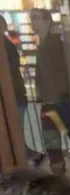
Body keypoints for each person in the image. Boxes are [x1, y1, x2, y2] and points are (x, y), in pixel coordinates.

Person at [30, 9, 70, 174]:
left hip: (60, 100)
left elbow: (69, 70)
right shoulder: (42, 45)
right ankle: (59, 175)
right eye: (31, 18)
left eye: (36, 18)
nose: (32, 21)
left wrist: (61, 94)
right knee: (52, 141)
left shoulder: (56, 44)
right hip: (49, 101)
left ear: (47, 22)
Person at [0, 16, 41, 162]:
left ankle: (29, 158)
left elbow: (9, 72)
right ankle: (31, 156)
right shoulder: (8, 45)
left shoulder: (6, 47)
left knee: (15, 133)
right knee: (15, 133)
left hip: (14, 96)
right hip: (15, 95)